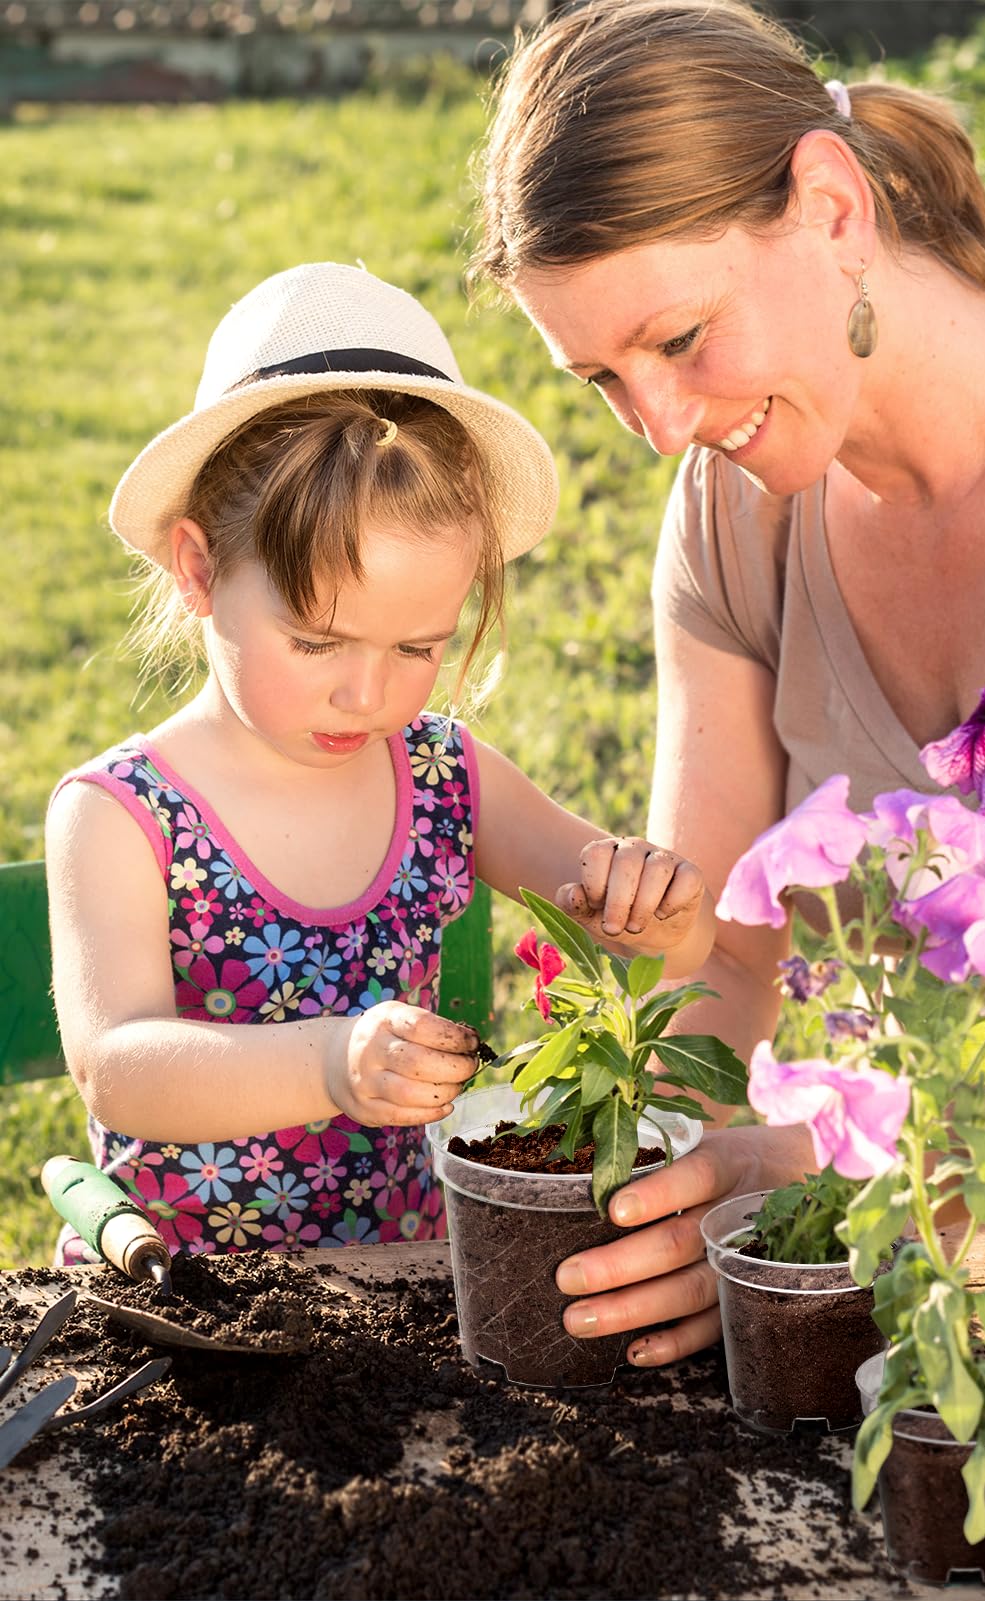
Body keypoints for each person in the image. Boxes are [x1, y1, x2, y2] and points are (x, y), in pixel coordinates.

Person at [471, 0, 985, 1365]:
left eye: (679, 340)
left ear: (833, 207)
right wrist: (683, 1184)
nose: (660, 426)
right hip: (901, 1286)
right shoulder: (730, 513)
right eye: (602, 381)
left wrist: (814, 1164)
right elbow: (728, 960)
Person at [46, 260, 716, 1262]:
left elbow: (635, 942)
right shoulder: (123, 814)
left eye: (417, 648)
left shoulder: (446, 775)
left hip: (416, 1292)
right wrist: (327, 1061)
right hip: (192, 1301)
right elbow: (119, 1067)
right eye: (316, 642)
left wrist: (662, 908)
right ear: (196, 568)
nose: (370, 695)